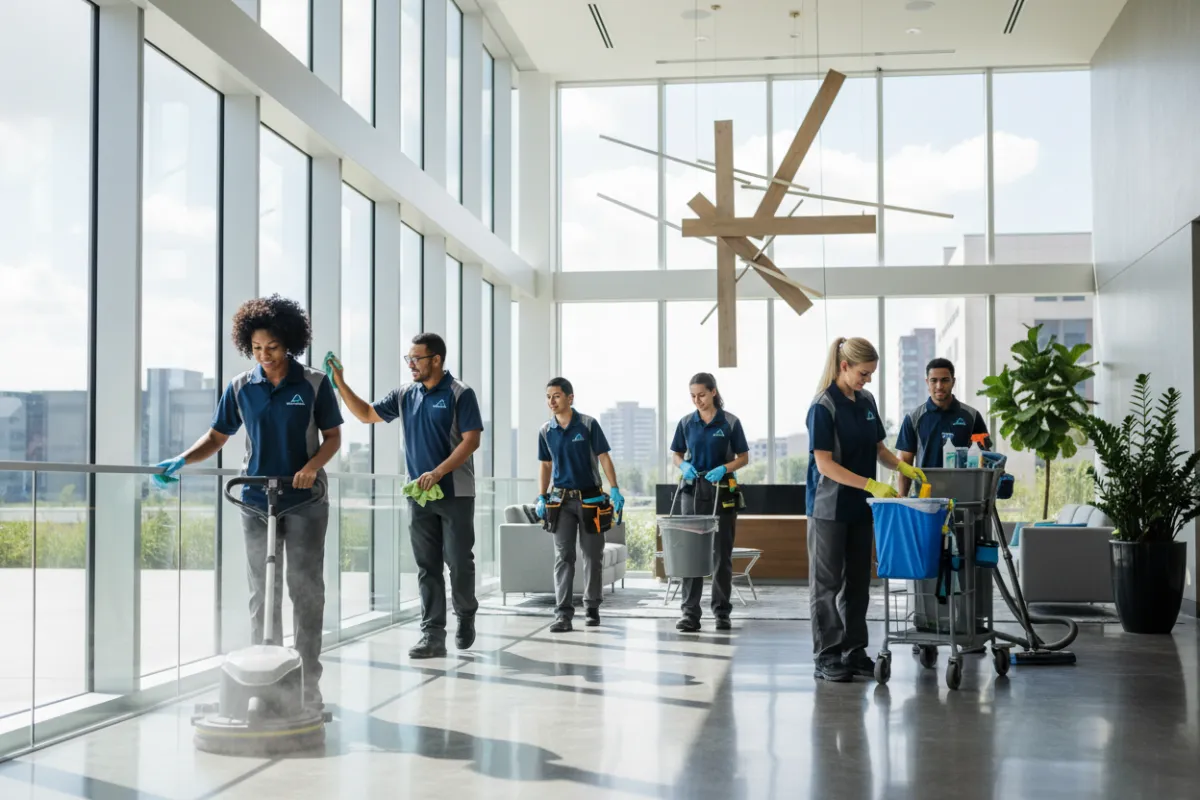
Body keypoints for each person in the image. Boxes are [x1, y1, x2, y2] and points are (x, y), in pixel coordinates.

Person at [153, 295, 343, 708]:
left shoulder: (312, 384)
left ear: (288, 344)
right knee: (263, 590)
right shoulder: (242, 386)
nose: (265, 356)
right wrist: (182, 459)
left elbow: (333, 438)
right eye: (256, 349)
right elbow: (218, 437)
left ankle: (308, 682)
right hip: (256, 499)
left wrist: (311, 466)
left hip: (306, 499)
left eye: (272, 348)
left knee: (305, 588)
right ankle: (268, 680)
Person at [330, 333, 483, 660]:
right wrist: (341, 383)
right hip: (418, 494)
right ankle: (432, 635)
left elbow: (471, 441)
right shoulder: (404, 394)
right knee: (427, 566)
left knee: (458, 561)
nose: (411, 364)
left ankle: (466, 612)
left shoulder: (460, 393)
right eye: (408, 359)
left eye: (417, 358)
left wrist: (438, 472)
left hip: (455, 491)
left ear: (437, 360)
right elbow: (367, 414)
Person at [805, 337, 926, 682]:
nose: (867, 380)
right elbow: (825, 464)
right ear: (844, 366)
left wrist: (901, 467)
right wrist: (870, 484)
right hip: (828, 507)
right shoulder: (822, 406)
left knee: (859, 582)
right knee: (826, 585)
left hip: (861, 507)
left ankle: (854, 650)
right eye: (863, 373)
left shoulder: (866, 401)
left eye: (871, 374)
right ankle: (826, 655)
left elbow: (879, 448)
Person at [536, 378, 624, 633]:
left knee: (592, 555)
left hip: (591, 500)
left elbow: (603, 456)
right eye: (549, 397)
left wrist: (614, 487)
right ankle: (563, 614)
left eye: (557, 396)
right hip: (561, 501)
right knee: (563, 557)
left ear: (570, 398)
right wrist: (542, 495)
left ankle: (592, 607)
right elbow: (545, 465)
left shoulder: (587, 425)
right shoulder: (546, 430)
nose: (552, 401)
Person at [668, 373, 749, 632]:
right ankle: (690, 614)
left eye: (701, 395)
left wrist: (724, 468)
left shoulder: (730, 422)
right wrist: (684, 465)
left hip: (722, 491)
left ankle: (722, 612)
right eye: (692, 396)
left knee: (721, 555)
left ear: (713, 392)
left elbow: (744, 457)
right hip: (692, 493)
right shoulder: (686, 423)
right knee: (690, 553)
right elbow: (676, 455)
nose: (697, 400)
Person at [896, 357, 993, 496]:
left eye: (945, 380)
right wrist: (902, 498)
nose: (939, 386)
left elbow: (985, 457)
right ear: (927, 382)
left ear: (953, 381)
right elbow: (905, 461)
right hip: (926, 496)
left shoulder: (972, 416)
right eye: (934, 380)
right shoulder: (914, 417)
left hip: (964, 496)